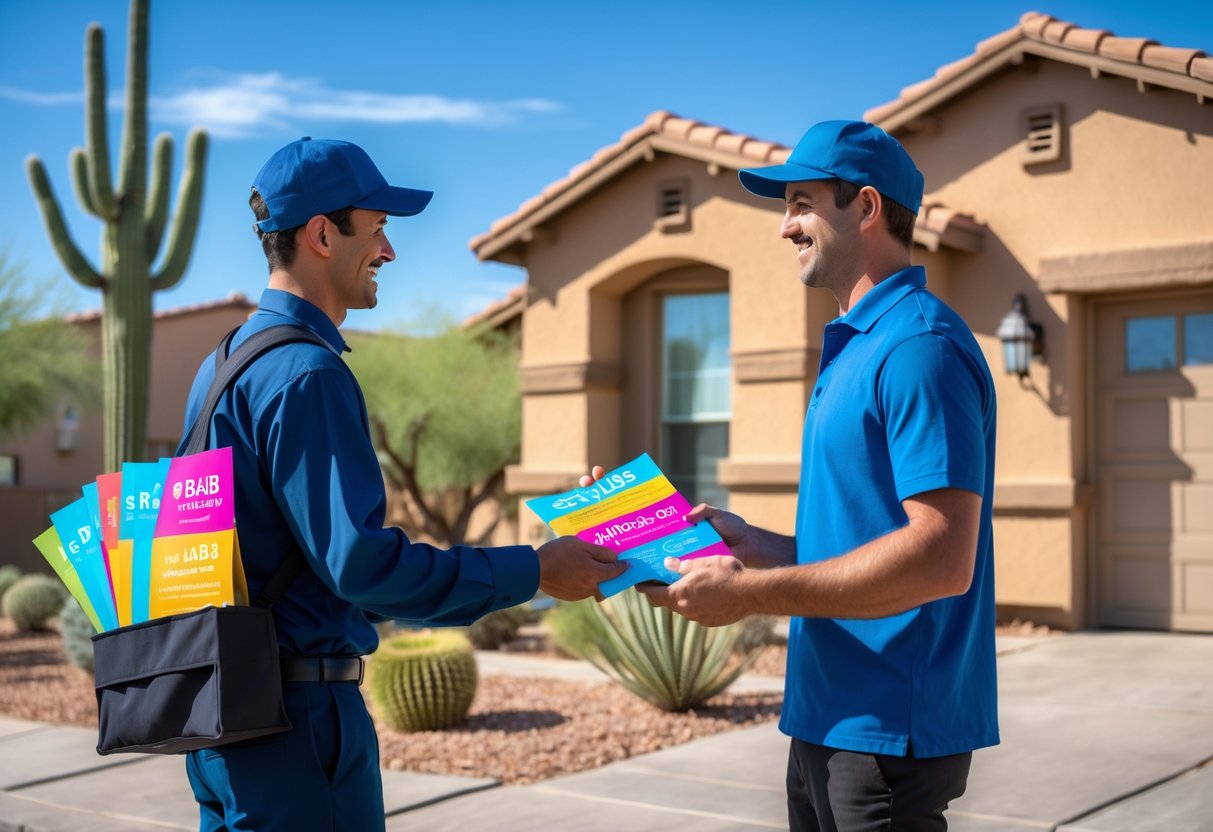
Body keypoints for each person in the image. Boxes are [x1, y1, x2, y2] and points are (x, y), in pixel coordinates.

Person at [179, 136, 625, 832]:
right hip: (296, 727)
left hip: (222, 716)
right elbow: (362, 566)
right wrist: (533, 570)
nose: (389, 251)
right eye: (378, 228)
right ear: (323, 234)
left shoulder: (224, 363)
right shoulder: (307, 373)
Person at [586, 120, 998, 831]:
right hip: (824, 718)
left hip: (886, 727)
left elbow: (939, 557)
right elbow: (861, 539)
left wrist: (750, 595)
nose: (785, 227)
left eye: (800, 203)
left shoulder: (918, 349)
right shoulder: (855, 346)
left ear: (865, 208)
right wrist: (747, 547)